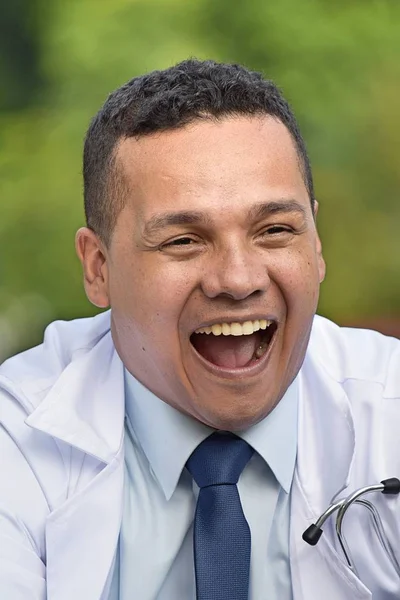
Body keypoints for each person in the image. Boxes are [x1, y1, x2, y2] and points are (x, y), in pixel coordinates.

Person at [0, 59, 399, 600]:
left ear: (317, 245)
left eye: (275, 230)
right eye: (184, 240)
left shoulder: (390, 409)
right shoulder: (16, 440)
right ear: (98, 268)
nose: (237, 279)